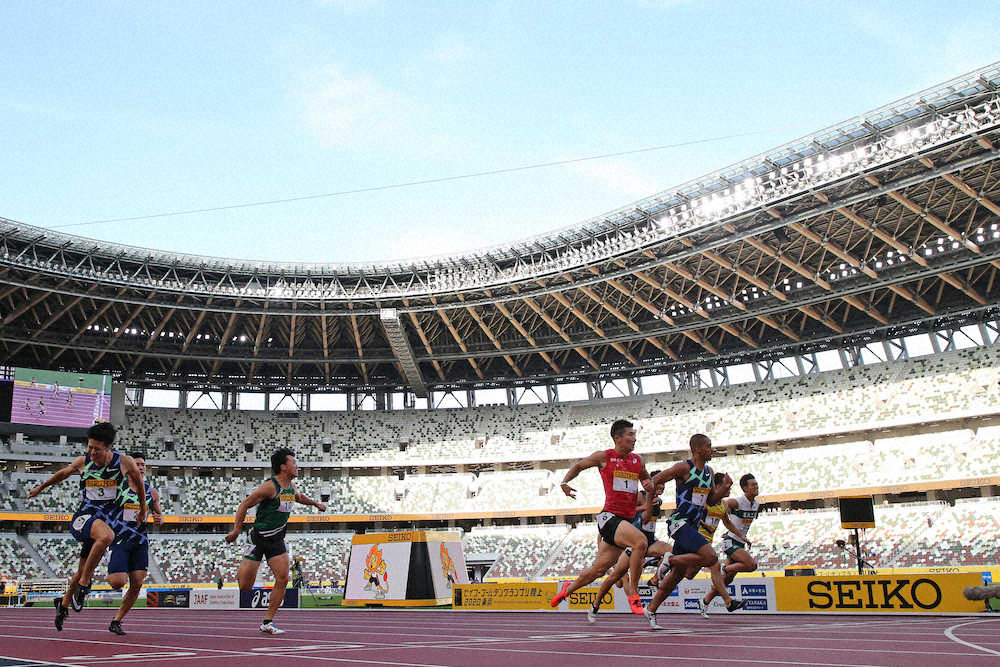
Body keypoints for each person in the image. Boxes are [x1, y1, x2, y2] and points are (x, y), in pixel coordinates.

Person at [27, 423, 145, 630]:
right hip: (84, 518)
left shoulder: (124, 462)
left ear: (108, 448)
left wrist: (143, 509)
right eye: (89, 447)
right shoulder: (84, 461)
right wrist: (40, 488)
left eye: (96, 449)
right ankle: (84, 585)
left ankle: (63, 605)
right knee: (107, 537)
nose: (92, 452)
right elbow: (63, 474)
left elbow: (139, 483)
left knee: (82, 568)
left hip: (104, 522)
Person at [550, 419, 653, 616]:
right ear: (618, 437)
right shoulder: (604, 457)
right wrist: (564, 482)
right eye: (630, 435)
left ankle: (567, 590)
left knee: (599, 570)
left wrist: (648, 483)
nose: (634, 438)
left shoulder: (637, 461)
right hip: (609, 517)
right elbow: (579, 466)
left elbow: (645, 477)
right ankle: (635, 595)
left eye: (634, 435)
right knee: (640, 542)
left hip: (625, 521)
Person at [225, 448, 327, 635]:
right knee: (245, 586)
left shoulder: (291, 486)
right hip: (258, 539)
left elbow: (299, 497)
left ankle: (267, 622)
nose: (297, 465)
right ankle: (244, 565)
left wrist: (316, 504)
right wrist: (237, 530)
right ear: (283, 466)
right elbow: (245, 505)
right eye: (293, 462)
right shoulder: (270, 487)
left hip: (277, 540)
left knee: (283, 578)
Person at [643, 434, 730, 630]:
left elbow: (711, 501)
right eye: (709, 446)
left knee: (676, 576)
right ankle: (670, 559)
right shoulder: (684, 467)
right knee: (710, 557)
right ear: (697, 449)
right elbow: (655, 481)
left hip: (692, 526)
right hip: (679, 522)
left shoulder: (709, 472)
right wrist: (649, 505)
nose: (712, 449)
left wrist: (724, 488)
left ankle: (651, 609)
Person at [587, 474, 671, 623]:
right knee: (615, 577)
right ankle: (595, 604)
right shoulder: (640, 495)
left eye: (664, 485)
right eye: (659, 484)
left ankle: (654, 578)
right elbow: (634, 513)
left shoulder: (659, 500)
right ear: (651, 483)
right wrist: (647, 506)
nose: (662, 487)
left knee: (671, 552)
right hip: (635, 543)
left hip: (650, 540)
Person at [107, 451, 163, 635]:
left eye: (143, 465)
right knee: (117, 582)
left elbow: (159, 515)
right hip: (120, 539)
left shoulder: (151, 492)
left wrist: (158, 519)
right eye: (136, 464)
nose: (140, 467)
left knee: (137, 583)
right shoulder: (117, 487)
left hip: (140, 541)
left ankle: (117, 621)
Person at [694, 472, 748, 616]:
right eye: (727, 486)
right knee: (716, 566)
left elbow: (727, 522)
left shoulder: (723, 504)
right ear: (717, 486)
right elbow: (692, 515)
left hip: (708, 542)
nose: (729, 489)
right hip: (697, 539)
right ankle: (728, 602)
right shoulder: (705, 501)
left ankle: (705, 602)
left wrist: (741, 535)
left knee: (688, 573)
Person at [703, 473, 760, 609]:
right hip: (731, 542)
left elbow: (740, 523)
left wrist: (741, 535)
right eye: (753, 485)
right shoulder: (738, 502)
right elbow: (724, 505)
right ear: (745, 489)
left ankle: (704, 603)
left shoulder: (756, 505)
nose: (756, 487)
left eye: (756, 484)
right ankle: (724, 568)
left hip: (740, 542)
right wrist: (725, 521)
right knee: (751, 565)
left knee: (726, 580)